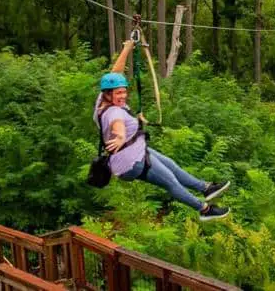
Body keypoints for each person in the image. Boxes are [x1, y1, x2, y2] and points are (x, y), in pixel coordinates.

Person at [94, 39, 231, 220]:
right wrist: (119, 136)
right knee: (170, 181)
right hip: (131, 162)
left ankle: (205, 188)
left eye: (124, 91)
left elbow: (115, 72)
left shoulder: (101, 102)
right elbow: (117, 125)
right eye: (119, 93)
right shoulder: (113, 113)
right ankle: (205, 210)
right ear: (109, 94)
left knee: (171, 165)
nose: (123, 95)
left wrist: (126, 49)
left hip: (135, 152)